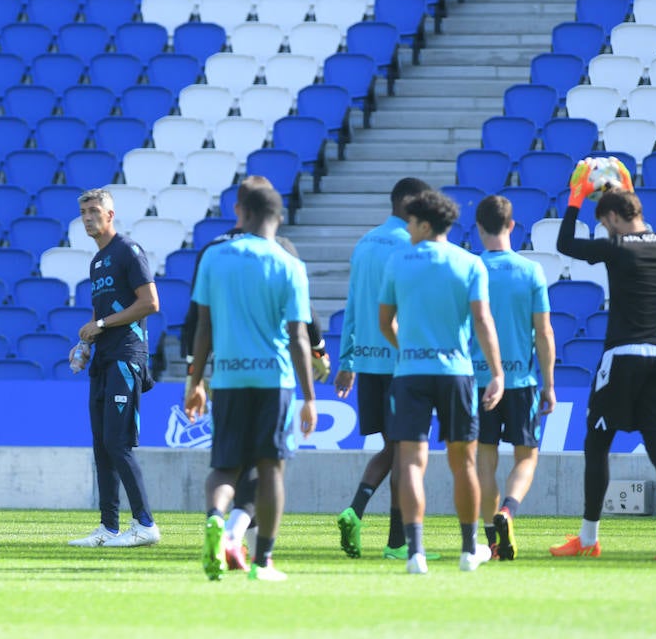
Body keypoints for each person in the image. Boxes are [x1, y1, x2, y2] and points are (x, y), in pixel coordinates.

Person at [180, 176, 330, 569]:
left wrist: (195, 381)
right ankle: (262, 561)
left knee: (224, 467)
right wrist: (311, 398)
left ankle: (215, 519)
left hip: (228, 379)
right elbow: (299, 337)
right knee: (270, 469)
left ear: (241, 214)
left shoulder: (214, 256)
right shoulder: (290, 265)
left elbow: (203, 327)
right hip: (273, 381)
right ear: (279, 218)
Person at [552, 163, 656, 560]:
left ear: (611, 217)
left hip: (623, 356)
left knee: (597, 444)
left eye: (605, 220)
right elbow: (638, 226)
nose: (605, 229)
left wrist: (575, 201)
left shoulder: (616, 247)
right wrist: (622, 190)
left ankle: (588, 539)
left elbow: (565, 245)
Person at [378, 190, 504, 575]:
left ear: (425, 224)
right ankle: (469, 550)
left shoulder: (398, 261)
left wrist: (410, 347)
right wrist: (497, 373)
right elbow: (483, 322)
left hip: (411, 374)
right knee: (463, 463)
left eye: (411, 223)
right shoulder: (470, 264)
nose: (408, 230)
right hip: (457, 374)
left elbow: (385, 322)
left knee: (411, 464)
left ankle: (415, 553)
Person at [334, 177, 434, 561]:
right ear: (411, 205)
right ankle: (386, 535)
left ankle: (375, 525)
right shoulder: (410, 246)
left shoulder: (365, 243)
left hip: (369, 363)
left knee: (393, 448)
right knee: (404, 451)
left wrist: (347, 362)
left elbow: (353, 305)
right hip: (403, 362)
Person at [66, 188, 161, 549]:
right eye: (83, 212)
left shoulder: (128, 250)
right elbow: (103, 309)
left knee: (118, 444)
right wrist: (86, 340)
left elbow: (150, 302)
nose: (88, 217)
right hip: (104, 357)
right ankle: (108, 527)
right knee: (102, 446)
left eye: (94, 211)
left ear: (110, 215)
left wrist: (102, 326)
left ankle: (146, 524)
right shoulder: (98, 261)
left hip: (126, 356)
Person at [472, 195, 556, 561]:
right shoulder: (531, 270)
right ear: (512, 224)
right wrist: (549, 384)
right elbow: (544, 332)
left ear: (478, 227)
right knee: (526, 456)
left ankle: (492, 536)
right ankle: (508, 510)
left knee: (484, 460)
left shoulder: (470, 269)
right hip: (521, 381)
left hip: (480, 380)